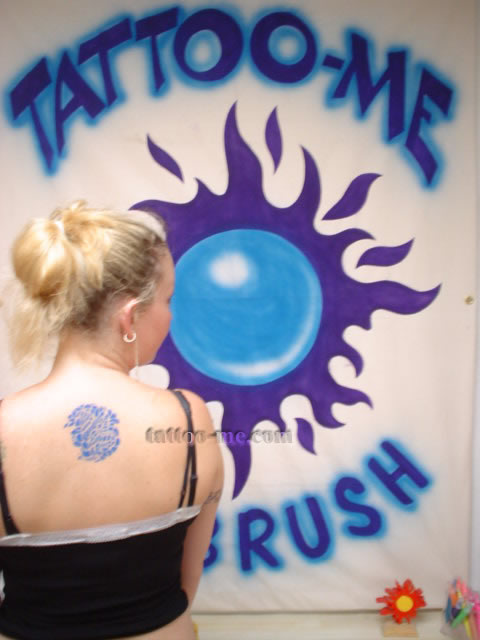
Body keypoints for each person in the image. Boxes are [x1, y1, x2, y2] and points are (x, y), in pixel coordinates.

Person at [0, 201, 223, 639]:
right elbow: (186, 584)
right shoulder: (189, 420)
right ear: (129, 315)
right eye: (167, 300)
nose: (170, 316)